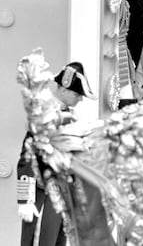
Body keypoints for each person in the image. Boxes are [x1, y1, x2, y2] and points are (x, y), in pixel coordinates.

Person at [17, 62, 96, 246]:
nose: (80, 99)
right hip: (42, 195)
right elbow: (28, 157)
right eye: (77, 94)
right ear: (63, 89)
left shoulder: (65, 115)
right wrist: (26, 199)